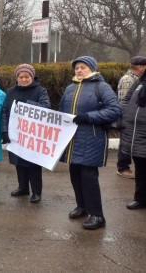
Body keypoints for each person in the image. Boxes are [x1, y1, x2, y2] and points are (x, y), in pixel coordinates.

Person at [59, 56, 120, 230]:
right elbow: (61, 112)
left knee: (88, 177)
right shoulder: (70, 88)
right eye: (77, 67)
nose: (79, 70)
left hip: (92, 138)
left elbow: (114, 110)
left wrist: (88, 117)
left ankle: (97, 215)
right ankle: (82, 206)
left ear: (92, 69)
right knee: (75, 174)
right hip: (72, 140)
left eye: (83, 67)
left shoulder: (102, 87)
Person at [1, 64, 51, 203]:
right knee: (19, 162)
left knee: (33, 163)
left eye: (27, 77)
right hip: (16, 133)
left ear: (32, 77)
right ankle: (23, 188)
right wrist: (4, 130)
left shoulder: (40, 91)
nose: (24, 79)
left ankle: (36, 191)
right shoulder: (10, 92)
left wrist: (27, 103)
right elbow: (5, 111)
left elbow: (46, 108)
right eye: (21, 77)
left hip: (33, 134)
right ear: (16, 78)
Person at [119, 60, 146, 210]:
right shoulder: (140, 82)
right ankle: (140, 199)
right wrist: (124, 115)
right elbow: (126, 99)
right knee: (141, 169)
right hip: (135, 133)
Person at [116, 56, 146, 179]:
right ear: (140, 67)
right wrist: (124, 118)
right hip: (128, 120)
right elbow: (124, 100)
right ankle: (123, 167)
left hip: (133, 122)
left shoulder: (137, 79)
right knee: (125, 144)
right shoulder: (128, 80)